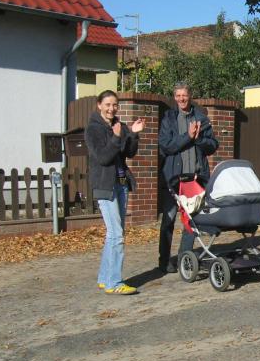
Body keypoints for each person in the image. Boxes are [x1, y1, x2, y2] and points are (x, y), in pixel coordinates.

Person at [85, 90, 146, 295]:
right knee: (116, 234)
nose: (112, 109)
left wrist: (134, 133)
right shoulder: (93, 129)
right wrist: (116, 137)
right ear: (99, 105)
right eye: (108, 105)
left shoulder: (119, 125)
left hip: (121, 183)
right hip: (105, 185)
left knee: (114, 234)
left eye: (115, 105)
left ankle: (105, 279)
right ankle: (114, 283)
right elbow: (103, 157)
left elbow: (129, 152)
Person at [158, 82, 219, 273]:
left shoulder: (201, 118)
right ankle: (164, 261)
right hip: (173, 179)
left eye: (184, 95)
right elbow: (166, 145)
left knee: (191, 221)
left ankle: (184, 259)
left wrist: (198, 138)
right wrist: (188, 136)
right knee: (168, 220)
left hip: (195, 178)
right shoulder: (169, 118)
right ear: (174, 97)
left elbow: (213, 145)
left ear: (190, 96)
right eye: (178, 95)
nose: (181, 99)